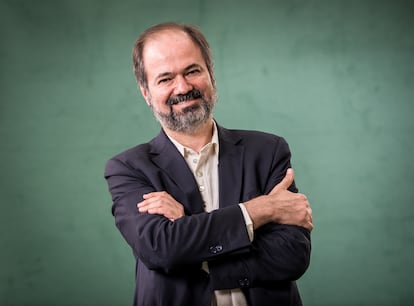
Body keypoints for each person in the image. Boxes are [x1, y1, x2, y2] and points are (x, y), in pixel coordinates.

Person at [104, 22, 313, 306]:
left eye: (192, 71)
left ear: (211, 74)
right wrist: (262, 209)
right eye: (165, 79)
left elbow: (292, 256)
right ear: (146, 93)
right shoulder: (128, 168)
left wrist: (188, 232)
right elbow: (161, 249)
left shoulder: (268, 151)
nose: (183, 87)